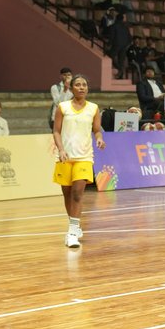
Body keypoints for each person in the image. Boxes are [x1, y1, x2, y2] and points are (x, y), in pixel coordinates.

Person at [52, 74, 105, 247]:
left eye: (84, 85)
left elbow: (96, 130)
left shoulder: (94, 108)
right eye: (78, 84)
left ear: (87, 88)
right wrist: (60, 149)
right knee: (67, 194)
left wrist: (99, 138)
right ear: (72, 88)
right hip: (65, 157)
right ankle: (74, 225)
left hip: (84, 157)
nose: (81, 87)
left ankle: (72, 233)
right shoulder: (62, 107)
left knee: (77, 193)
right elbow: (56, 131)